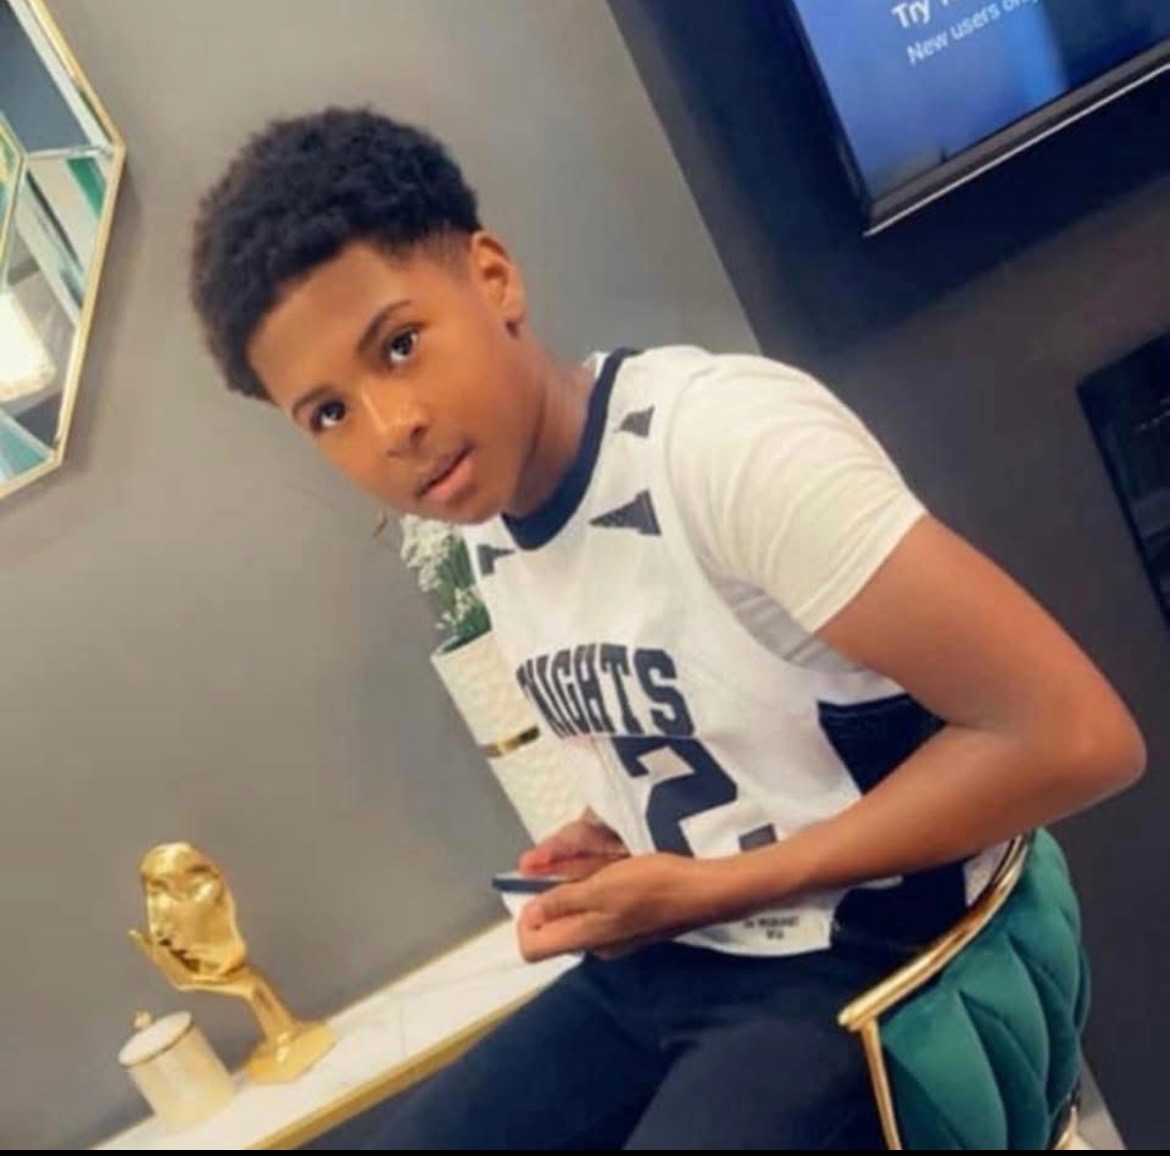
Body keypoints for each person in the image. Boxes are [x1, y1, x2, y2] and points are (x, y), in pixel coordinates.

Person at [187, 107, 1145, 1149]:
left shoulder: (723, 444)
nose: (392, 428)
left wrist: (720, 881)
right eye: (328, 413)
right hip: (687, 953)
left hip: (870, 954)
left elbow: (1076, 736)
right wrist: (623, 831)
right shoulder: (491, 528)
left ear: (494, 278)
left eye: (401, 345)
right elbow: (744, 714)